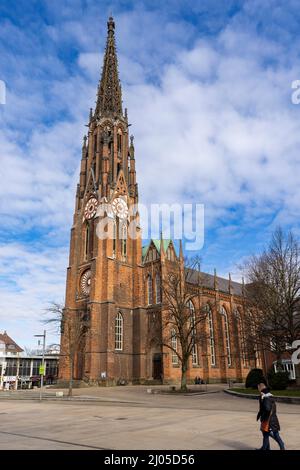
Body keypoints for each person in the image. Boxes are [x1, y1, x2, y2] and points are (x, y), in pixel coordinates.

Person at [256, 382, 285, 450]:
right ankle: (267, 448)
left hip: (268, 420)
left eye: (258, 388)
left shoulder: (266, 397)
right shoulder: (268, 396)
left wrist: (263, 417)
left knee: (269, 435)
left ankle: (279, 446)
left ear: (260, 388)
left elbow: (267, 409)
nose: (258, 390)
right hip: (272, 419)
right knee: (270, 434)